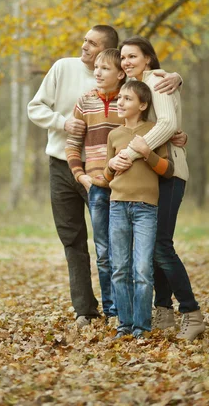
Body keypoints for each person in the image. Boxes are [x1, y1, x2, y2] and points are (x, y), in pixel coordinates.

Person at [27, 26, 181, 329]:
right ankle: (85, 309)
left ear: (110, 56)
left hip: (111, 175)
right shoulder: (65, 69)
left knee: (117, 247)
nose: (85, 47)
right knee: (73, 239)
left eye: (93, 44)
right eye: (84, 40)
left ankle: (127, 310)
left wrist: (177, 79)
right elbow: (36, 108)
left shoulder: (124, 80)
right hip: (66, 166)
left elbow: (150, 92)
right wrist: (63, 125)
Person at [110, 36, 205, 341]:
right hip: (153, 173)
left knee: (161, 245)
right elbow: (166, 127)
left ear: (148, 58)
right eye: (123, 57)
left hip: (170, 172)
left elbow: (165, 125)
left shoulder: (158, 81)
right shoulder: (142, 86)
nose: (126, 62)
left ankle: (191, 313)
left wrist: (130, 154)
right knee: (153, 247)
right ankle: (163, 310)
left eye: (132, 56)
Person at [104, 80, 174, 338]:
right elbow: (107, 176)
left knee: (142, 269)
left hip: (146, 208)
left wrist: (147, 153)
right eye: (119, 98)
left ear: (143, 105)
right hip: (118, 206)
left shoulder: (155, 130)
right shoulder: (114, 135)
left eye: (127, 98)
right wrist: (111, 165)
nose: (120, 102)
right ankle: (124, 325)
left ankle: (142, 328)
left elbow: (167, 170)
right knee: (120, 268)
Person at [65, 48, 125, 322]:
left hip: (126, 188)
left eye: (105, 69)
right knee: (103, 252)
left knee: (126, 251)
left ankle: (130, 309)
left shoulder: (128, 101)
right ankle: (112, 311)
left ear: (121, 73)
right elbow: (73, 144)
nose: (97, 73)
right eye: (96, 68)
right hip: (98, 187)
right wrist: (81, 176)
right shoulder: (84, 102)